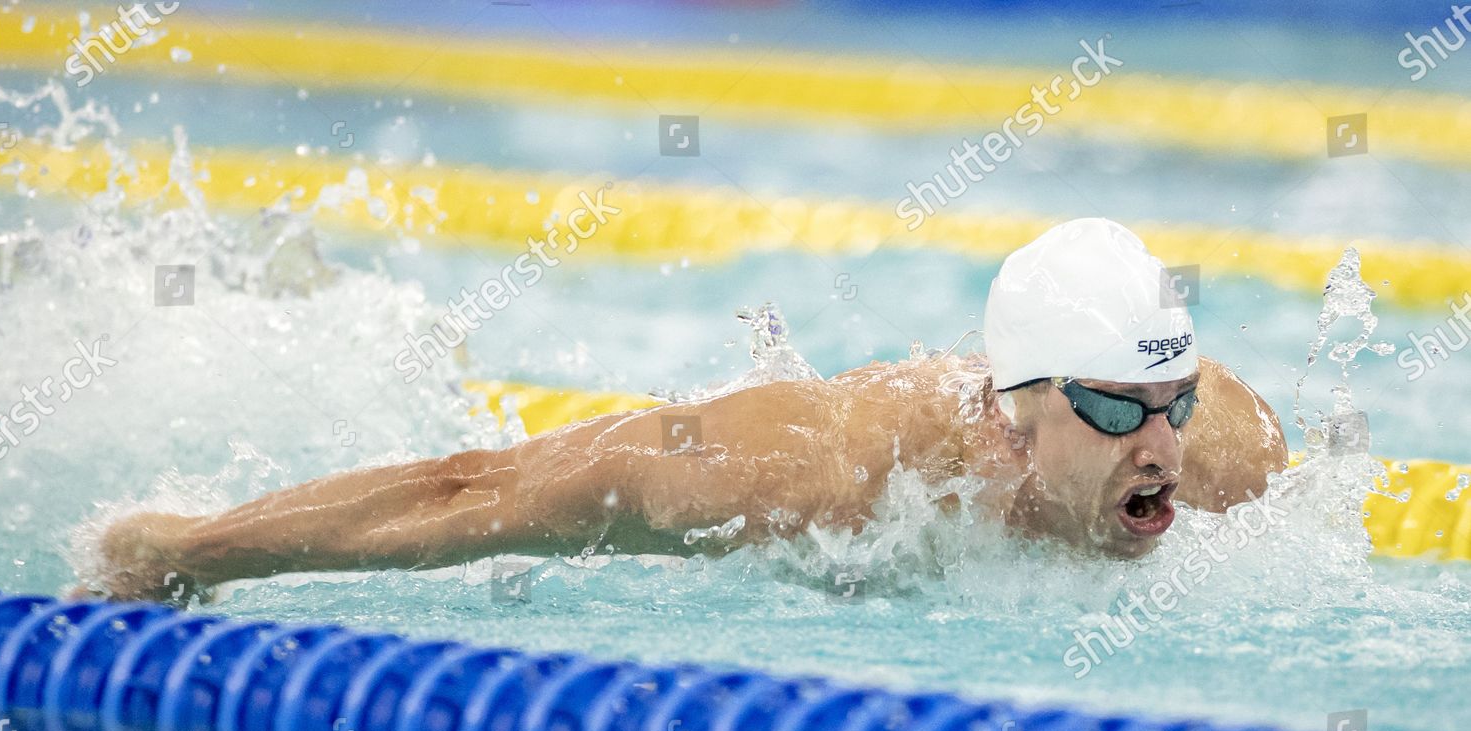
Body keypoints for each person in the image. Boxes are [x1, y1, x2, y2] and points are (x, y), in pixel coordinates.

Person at [82, 218, 1287, 602]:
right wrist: (188, 550)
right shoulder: (809, 475)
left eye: (1174, 400)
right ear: (1011, 415)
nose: (1163, 447)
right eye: (1118, 410)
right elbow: (476, 489)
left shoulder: (1233, 454)